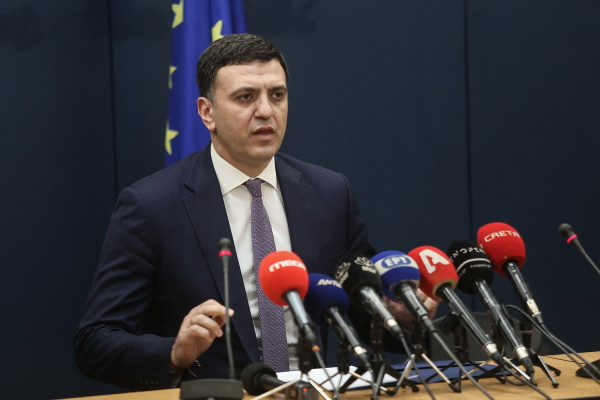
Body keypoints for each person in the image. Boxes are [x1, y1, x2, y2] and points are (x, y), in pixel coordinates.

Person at [74, 33, 437, 391]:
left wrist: (402, 316)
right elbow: (96, 343)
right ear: (207, 112)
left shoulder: (330, 194)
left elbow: (360, 314)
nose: (266, 111)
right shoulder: (152, 206)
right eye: (245, 97)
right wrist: (174, 353)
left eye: (277, 95)